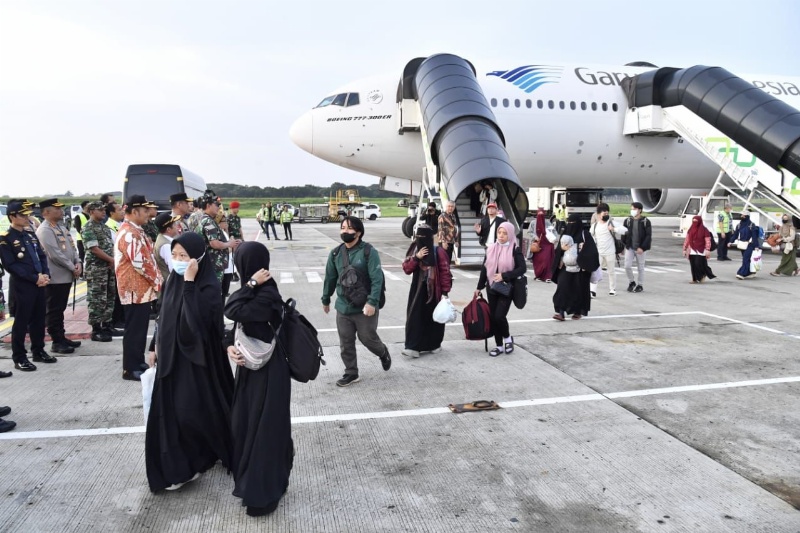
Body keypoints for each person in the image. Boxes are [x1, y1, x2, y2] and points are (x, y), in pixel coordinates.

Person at [145, 232, 233, 493]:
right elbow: (165, 316)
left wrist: (190, 283)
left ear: (199, 257)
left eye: (184, 256)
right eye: (174, 255)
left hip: (196, 360)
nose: (178, 260)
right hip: (172, 358)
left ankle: (200, 456)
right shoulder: (172, 280)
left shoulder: (207, 286)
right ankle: (185, 464)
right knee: (176, 413)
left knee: (192, 411)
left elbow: (194, 324)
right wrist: (154, 345)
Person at [224, 241, 293, 516]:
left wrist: (250, 284)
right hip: (253, 368)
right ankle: (266, 482)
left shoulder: (265, 293)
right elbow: (236, 324)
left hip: (268, 372)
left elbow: (232, 310)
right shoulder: (258, 292)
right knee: (248, 424)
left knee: (265, 429)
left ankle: (264, 492)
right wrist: (229, 345)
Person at [322, 216, 391, 387]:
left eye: (349, 228)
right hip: (344, 307)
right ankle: (351, 373)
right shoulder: (336, 253)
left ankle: (383, 352)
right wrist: (326, 298)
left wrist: (372, 302)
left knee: (368, 338)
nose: (345, 231)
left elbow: (377, 279)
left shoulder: (368, 252)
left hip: (365, 305)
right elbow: (330, 278)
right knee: (346, 342)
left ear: (358, 232)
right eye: (343, 228)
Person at [0, 200, 53, 371]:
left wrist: (45, 274)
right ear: (12, 217)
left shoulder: (30, 235)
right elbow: (11, 265)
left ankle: (38, 350)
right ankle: (19, 357)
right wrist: (34, 278)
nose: (26, 218)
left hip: (39, 283)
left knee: (38, 320)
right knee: (21, 322)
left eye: (27, 214)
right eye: (22, 215)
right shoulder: (6, 239)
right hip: (23, 286)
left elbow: (41, 256)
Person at [116, 195, 163, 381]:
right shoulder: (130, 233)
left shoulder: (136, 230)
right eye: (144, 211)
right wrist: (158, 281)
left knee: (140, 328)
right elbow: (140, 262)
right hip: (134, 289)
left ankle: (137, 361)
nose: (148, 214)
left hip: (141, 289)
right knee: (134, 330)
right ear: (134, 211)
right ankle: (130, 368)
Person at [36, 198, 82, 354]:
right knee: (54, 310)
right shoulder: (45, 230)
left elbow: (72, 247)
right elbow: (54, 254)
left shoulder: (60, 227)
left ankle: (61, 337)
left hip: (66, 275)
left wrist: (78, 262)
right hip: (55, 277)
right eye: (57, 209)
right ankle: (56, 341)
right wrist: (72, 267)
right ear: (46, 212)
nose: (61, 211)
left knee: (60, 308)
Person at [475, 221, 525, 356]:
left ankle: (508, 338)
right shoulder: (490, 248)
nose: (501, 236)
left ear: (510, 234)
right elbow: (485, 268)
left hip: (506, 288)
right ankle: (499, 346)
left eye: (505, 233)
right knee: (493, 317)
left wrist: (505, 276)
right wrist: (479, 287)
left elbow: (522, 268)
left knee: (499, 316)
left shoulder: (515, 249)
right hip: (491, 287)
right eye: (499, 232)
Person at [401, 225, 452, 358]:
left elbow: (445, 272)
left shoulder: (438, 252)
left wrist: (445, 292)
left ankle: (434, 344)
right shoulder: (414, 249)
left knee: (435, 319)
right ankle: (412, 347)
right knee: (415, 318)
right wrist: (416, 258)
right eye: (419, 237)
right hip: (418, 291)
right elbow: (406, 269)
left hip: (435, 291)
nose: (421, 240)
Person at [551, 214, 599, 320]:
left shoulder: (585, 234)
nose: (571, 225)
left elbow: (592, 251)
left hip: (581, 268)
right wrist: (561, 249)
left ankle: (578, 311)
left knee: (579, 290)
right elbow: (558, 250)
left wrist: (582, 249)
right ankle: (561, 312)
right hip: (565, 267)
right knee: (562, 288)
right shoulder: (565, 233)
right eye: (569, 223)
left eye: (573, 223)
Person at [82, 201, 117, 342]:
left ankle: (107, 325)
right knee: (97, 299)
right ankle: (96, 329)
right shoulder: (88, 228)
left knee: (109, 296)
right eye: (100, 210)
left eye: (104, 210)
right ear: (91, 212)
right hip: (96, 269)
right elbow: (94, 249)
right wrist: (111, 260)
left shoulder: (104, 227)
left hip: (108, 267)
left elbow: (110, 245)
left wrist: (112, 260)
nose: (103, 212)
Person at [196, 192, 240, 284]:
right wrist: (229, 244)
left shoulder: (207, 219)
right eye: (216, 205)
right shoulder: (208, 221)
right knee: (214, 291)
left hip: (213, 264)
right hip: (213, 264)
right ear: (208, 205)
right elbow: (214, 243)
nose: (219, 207)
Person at [622, 201, 652, 293]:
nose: (632, 211)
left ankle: (640, 284)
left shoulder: (645, 221)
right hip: (630, 247)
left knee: (640, 267)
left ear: (640, 210)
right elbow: (624, 234)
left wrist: (642, 248)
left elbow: (648, 236)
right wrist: (624, 246)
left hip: (640, 248)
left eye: (634, 209)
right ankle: (631, 282)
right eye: (632, 209)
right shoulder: (627, 221)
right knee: (627, 266)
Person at [589, 203, 619, 296]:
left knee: (611, 271)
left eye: (607, 213)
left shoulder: (611, 223)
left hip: (610, 252)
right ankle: (593, 291)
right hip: (599, 252)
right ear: (598, 214)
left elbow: (623, 230)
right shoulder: (594, 226)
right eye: (604, 213)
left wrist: (614, 229)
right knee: (595, 271)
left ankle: (612, 289)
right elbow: (591, 237)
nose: (606, 215)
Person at [153, 213, 181, 305]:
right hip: (170, 286)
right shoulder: (166, 245)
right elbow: (174, 268)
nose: (177, 226)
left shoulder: (163, 239)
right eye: (174, 225)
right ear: (168, 229)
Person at [683, 216, 716, 283]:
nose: (695, 222)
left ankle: (702, 275)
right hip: (691, 249)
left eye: (696, 221)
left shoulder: (704, 230)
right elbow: (687, 240)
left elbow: (708, 240)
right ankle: (694, 279)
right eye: (693, 221)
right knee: (693, 265)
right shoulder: (691, 229)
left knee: (698, 263)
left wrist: (707, 249)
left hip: (701, 249)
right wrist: (684, 249)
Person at [732, 210, 762, 280]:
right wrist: (731, 241)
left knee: (746, 259)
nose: (741, 216)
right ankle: (751, 272)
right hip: (742, 244)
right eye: (741, 215)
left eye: (743, 215)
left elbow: (754, 237)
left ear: (747, 216)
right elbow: (735, 234)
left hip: (750, 244)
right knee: (747, 259)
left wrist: (756, 246)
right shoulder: (739, 225)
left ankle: (741, 273)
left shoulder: (752, 225)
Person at [529, 208, 554, 283]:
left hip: (546, 244)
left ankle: (547, 276)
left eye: (542, 214)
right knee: (537, 261)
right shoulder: (533, 222)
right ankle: (538, 275)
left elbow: (553, 231)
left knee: (547, 260)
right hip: (537, 244)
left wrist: (553, 238)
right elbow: (530, 231)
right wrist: (535, 237)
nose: (540, 216)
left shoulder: (548, 222)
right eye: (539, 214)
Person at [218, 214, 235, 297]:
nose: (226, 223)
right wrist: (231, 247)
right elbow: (224, 248)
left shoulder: (224, 232)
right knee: (223, 288)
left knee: (226, 286)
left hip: (228, 263)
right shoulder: (218, 233)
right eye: (224, 222)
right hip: (223, 263)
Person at [73, 200, 90, 267]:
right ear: (85, 207)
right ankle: (81, 273)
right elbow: (78, 229)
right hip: (81, 240)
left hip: (90, 240)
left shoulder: (91, 215)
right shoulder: (78, 216)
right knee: (81, 257)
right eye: (88, 205)